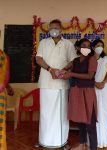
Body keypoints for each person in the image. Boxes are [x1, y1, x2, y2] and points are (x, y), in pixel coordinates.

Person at [36, 19, 77, 149]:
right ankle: (43, 141)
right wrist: (50, 69)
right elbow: (38, 58)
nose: (54, 30)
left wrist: (63, 71)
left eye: (56, 28)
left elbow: (73, 61)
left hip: (61, 84)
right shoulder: (43, 42)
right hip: (46, 83)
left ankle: (62, 142)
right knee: (45, 113)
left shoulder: (68, 44)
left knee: (61, 114)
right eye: (51, 28)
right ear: (48, 29)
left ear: (61, 29)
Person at [61, 38, 98, 150]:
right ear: (78, 47)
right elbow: (64, 69)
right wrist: (60, 72)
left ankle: (93, 148)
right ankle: (82, 144)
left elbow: (90, 76)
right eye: (83, 45)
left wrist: (71, 74)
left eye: (88, 46)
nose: (85, 48)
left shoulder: (92, 59)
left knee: (90, 122)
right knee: (80, 119)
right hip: (76, 91)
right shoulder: (75, 60)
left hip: (87, 91)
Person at [92, 39, 107, 148]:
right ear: (93, 48)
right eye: (97, 45)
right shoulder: (89, 60)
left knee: (103, 113)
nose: (99, 47)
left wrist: (103, 82)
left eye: (101, 45)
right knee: (94, 113)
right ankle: (93, 141)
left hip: (103, 89)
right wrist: (95, 82)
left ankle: (103, 140)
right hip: (91, 89)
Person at [0, 49, 14, 150]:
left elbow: (6, 76)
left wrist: (8, 86)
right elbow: (6, 76)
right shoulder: (4, 56)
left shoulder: (4, 57)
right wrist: (8, 87)